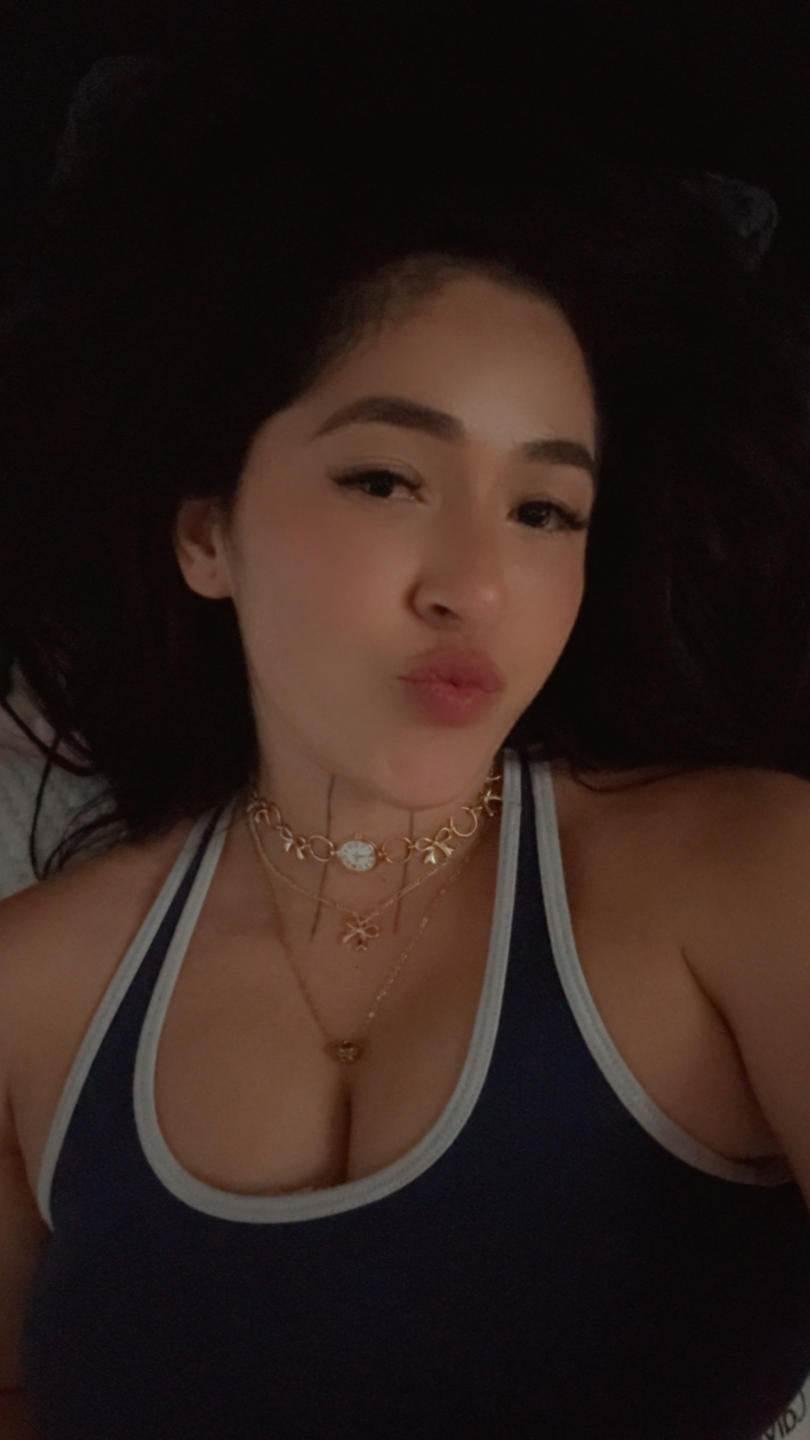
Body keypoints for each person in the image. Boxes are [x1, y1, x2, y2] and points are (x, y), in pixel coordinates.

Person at [1, 43, 810, 1440]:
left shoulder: (748, 878)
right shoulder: (32, 990)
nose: (477, 585)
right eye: (386, 479)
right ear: (205, 535)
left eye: (544, 510)